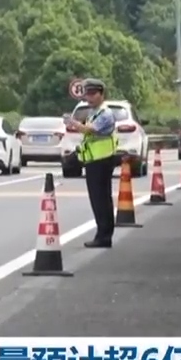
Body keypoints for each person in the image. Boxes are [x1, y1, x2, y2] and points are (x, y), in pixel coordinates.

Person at [64, 78, 119, 248]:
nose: (89, 97)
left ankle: (104, 236)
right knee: (99, 200)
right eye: (87, 94)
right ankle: (103, 234)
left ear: (102, 94)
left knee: (101, 200)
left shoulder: (105, 114)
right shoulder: (94, 113)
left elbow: (90, 130)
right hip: (93, 160)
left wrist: (72, 123)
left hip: (101, 161)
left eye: (93, 94)